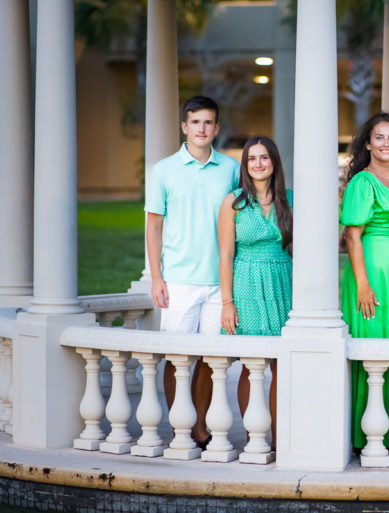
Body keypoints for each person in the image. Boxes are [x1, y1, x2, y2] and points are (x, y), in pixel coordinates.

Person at [145, 96, 240, 449]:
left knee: (212, 358)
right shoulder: (164, 170)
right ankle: (179, 425)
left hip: (220, 282)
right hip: (180, 281)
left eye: (208, 122)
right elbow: (154, 227)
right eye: (195, 122)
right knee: (178, 358)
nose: (202, 128)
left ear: (216, 127)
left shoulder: (231, 169)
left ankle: (200, 424)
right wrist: (157, 277)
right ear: (184, 126)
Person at [341, 112, 389, 454]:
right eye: (379, 137)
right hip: (370, 274)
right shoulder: (362, 182)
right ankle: (363, 434)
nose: (386, 144)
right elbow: (353, 237)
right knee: (373, 349)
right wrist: (363, 284)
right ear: (367, 144)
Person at [218, 136, 292, 449]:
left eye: (264, 157)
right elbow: (225, 256)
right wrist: (227, 303)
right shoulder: (233, 202)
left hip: (282, 283)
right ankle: (253, 437)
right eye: (252, 159)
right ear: (245, 165)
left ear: (274, 161)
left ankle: (278, 438)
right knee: (252, 366)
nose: (258, 164)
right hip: (246, 283)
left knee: (281, 365)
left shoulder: (288, 199)